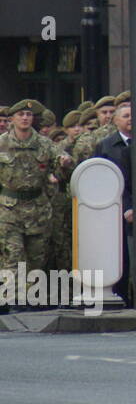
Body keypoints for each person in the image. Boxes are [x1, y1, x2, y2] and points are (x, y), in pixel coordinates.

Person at [0, 101, 73, 310]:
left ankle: (31, 298)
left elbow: (63, 166)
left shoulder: (44, 144)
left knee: (37, 256)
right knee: (12, 255)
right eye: (21, 114)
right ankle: (12, 298)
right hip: (9, 208)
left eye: (28, 115)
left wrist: (64, 164)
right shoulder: (2, 143)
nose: (25, 118)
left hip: (37, 208)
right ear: (12, 118)